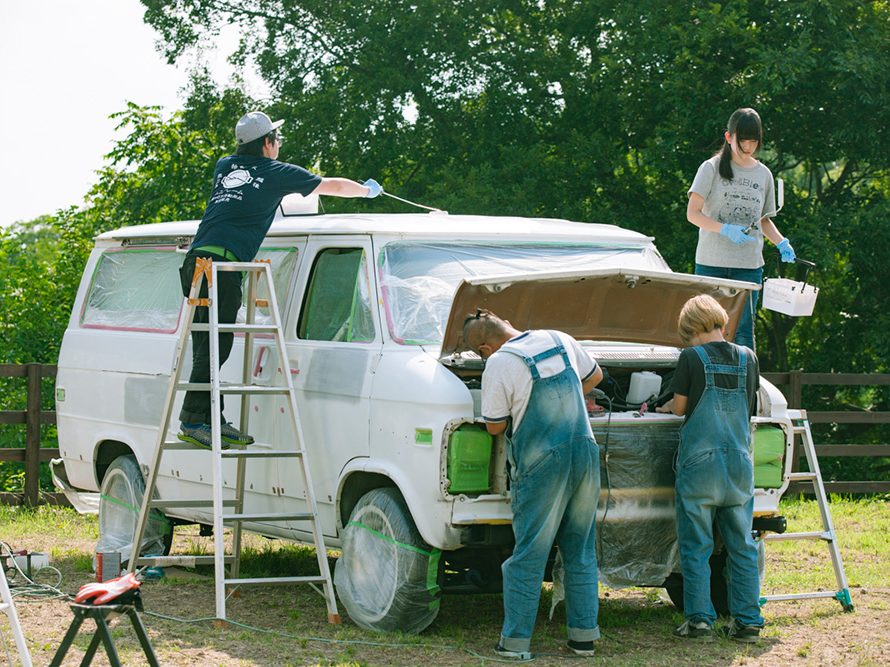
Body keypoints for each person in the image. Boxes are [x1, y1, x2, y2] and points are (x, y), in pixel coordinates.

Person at [177, 110, 382, 448]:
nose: (279, 145)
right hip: (220, 268)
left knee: (210, 345)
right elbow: (330, 185)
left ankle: (210, 417)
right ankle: (195, 420)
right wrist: (365, 191)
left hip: (196, 264)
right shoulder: (275, 173)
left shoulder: (225, 166)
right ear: (268, 144)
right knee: (216, 345)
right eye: (277, 139)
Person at [463, 309, 603, 660]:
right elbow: (595, 375)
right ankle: (584, 638)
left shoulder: (499, 363)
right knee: (580, 550)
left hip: (543, 463)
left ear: (484, 348)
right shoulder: (558, 337)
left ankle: (515, 643)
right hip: (584, 453)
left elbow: (495, 426)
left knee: (528, 554)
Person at [657, 294, 764, 643]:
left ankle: (700, 620)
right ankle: (748, 621)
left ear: (691, 328)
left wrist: (658, 406)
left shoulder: (691, 357)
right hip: (738, 462)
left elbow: (679, 408)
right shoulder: (749, 358)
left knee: (697, 546)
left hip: (700, 465)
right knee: (742, 545)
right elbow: (746, 409)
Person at [687, 107, 796, 350]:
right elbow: (693, 213)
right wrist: (724, 229)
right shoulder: (711, 168)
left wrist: (781, 242)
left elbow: (764, 220)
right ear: (729, 137)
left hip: (748, 267)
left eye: (753, 142)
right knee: (706, 330)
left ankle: (747, 386)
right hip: (711, 263)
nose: (747, 147)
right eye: (742, 141)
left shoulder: (763, 174)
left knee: (744, 331)